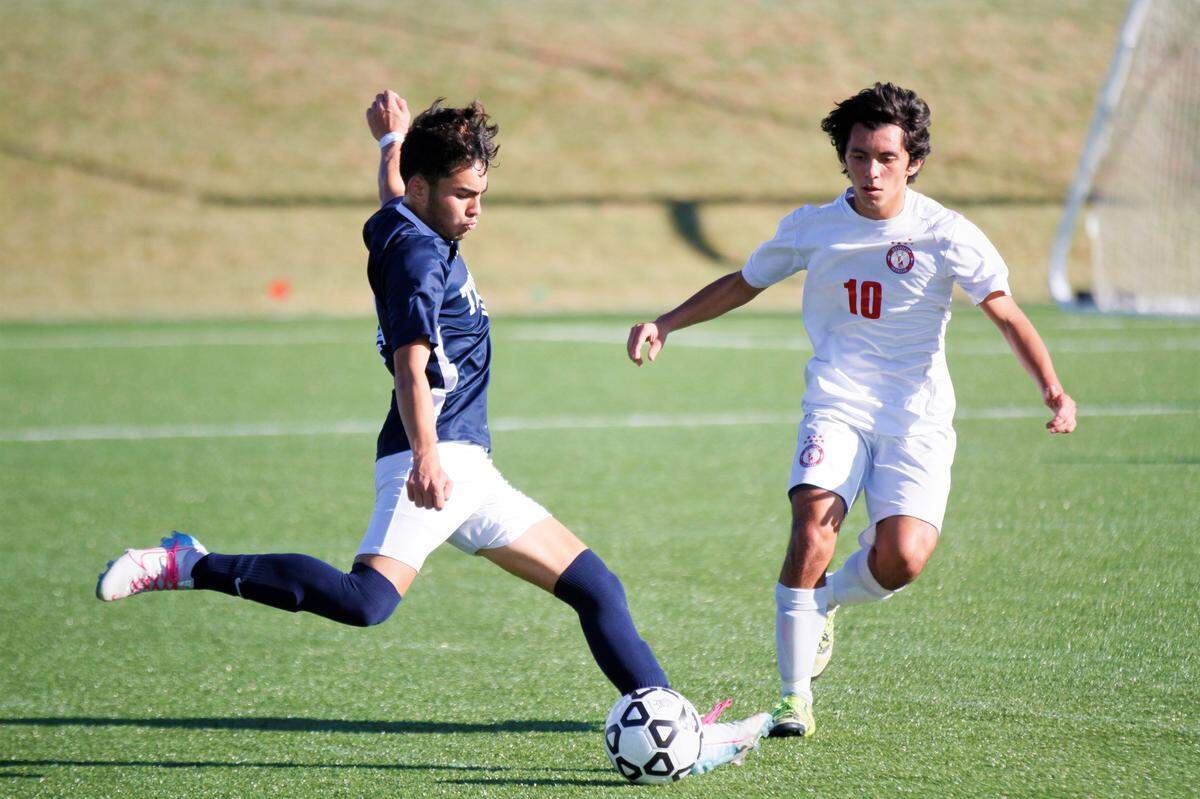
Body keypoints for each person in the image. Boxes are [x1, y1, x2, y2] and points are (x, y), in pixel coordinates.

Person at [96, 91, 769, 771]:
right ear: (427, 189)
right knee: (366, 603)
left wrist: (389, 141)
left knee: (596, 587)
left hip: (469, 468)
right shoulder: (419, 261)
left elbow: (395, 192)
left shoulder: (406, 220)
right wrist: (425, 456)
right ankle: (186, 563)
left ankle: (683, 730)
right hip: (435, 460)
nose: (475, 209)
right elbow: (410, 368)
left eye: (480, 193)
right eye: (462, 195)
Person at [627, 82, 1077, 738]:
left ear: (913, 160)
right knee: (813, 524)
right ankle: (791, 697)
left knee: (904, 558)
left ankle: (828, 599)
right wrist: (666, 322)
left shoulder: (947, 233)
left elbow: (1005, 312)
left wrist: (1052, 386)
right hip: (836, 402)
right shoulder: (814, 227)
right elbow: (741, 282)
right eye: (859, 154)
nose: (871, 170)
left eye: (886, 157)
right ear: (844, 154)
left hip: (915, 418)